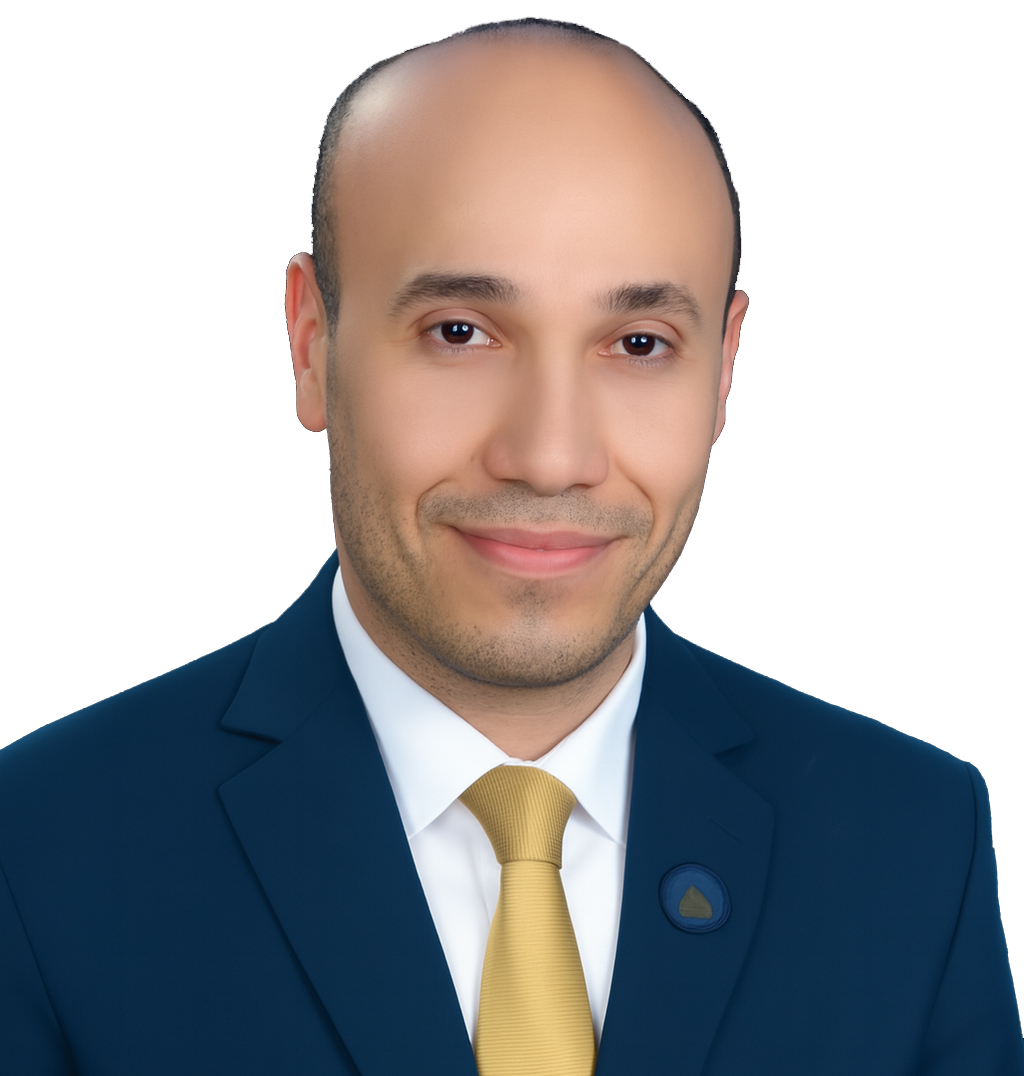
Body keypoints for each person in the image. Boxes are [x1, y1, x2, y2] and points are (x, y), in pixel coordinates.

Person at [0, 17, 1019, 1075]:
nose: (549, 456)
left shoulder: (913, 845)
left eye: (639, 344)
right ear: (311, 345)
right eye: (459, 332)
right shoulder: (39, 852)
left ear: (724, 371)